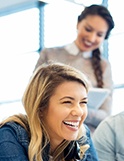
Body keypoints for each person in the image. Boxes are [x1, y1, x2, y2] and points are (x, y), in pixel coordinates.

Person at [0, 63, 118, 161]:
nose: (78, 112)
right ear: (41, 107)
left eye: (83, 102)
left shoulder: (81, 136)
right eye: (67, 102)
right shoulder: (10, 135)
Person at [34, 4, 115, 133]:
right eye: (88, 29)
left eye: (99, 35)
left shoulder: (104, 66)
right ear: (78, 24)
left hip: (86, 139)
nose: (92, 38)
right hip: (49, 134)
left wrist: (73, 110)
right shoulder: (49, 55)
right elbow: (34, 97)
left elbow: (105, 115)